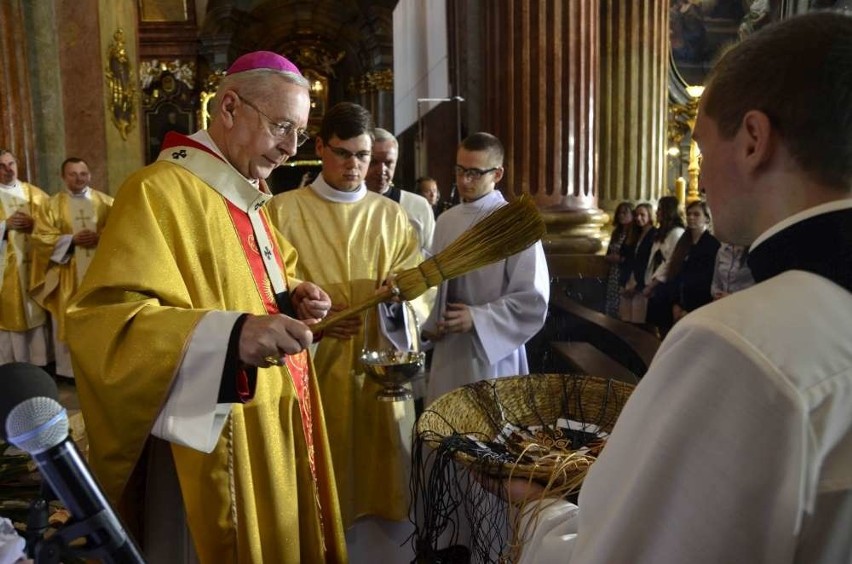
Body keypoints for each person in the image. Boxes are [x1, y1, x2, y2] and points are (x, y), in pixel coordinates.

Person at [512, 13, 852, 563]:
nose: (698, 170)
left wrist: (534, 511)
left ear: (752, 141)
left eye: (699, 143)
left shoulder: (740, 345)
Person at [64, 52, 346, 563]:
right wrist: (232, 336)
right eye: (283, 126)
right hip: (212, 446)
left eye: (301, 133)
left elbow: (265, 274)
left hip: (274, 429)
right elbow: (107, 323)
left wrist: (297, 294)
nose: (291, 146)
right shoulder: (157, 191)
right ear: (230, 107)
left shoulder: (247, 196)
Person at [267, 102, 428, 562]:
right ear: (319, 147)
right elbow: (264, 289)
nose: (355, 166)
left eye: (364, 156)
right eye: (343, 154)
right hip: (312, 367)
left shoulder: (392, 217)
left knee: (384, 485)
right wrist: (309, 311)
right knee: (320, 477)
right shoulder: (283, 212)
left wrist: (396, 301)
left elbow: (418, 289)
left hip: (379, 371)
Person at [422, 132, 550, 405]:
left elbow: (533, 300)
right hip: (448, 349)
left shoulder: (514, 224)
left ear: (498, 173)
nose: (465, 180)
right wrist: (429, 319)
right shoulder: (445, 220)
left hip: (491, 352)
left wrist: (478, 318)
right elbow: (433, 284)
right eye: (460, 170)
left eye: (475, 173)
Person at [30, 158, 114, 379]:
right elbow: (41, 237)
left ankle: (99, 369)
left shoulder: (106, 202)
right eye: (73, 174)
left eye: (83, 173)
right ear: (63, 177)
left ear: (89, 175)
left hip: (98, 274)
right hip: (68, 274)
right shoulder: (51, 205)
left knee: (99, 321)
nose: (79, 178)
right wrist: (71, 240)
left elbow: (120, 232)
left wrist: (100, 237)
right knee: (68, 321)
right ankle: (69, 373)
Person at [0, 149, 51, 367]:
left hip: (35, 267)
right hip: (6, 270)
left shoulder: (36, 196)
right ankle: (12, 368)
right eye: (1, 166)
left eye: (11, 163)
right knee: (10, 318)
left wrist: (35, 225)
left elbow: (53, 227)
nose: (8, 170)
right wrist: (4, 226)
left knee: (36, 315)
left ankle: (40, 365)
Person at [365, 127, 435, 253]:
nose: (381, 170)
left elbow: (431, 254)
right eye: (374, 162)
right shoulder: (346, 204)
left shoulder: (418, 206)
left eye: (388, 163)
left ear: (396, 162)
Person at [669, 200, 720, 322]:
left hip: (700, 304)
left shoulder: (712, 244)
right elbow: (675, 271)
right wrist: (676, 303)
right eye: (689, 214)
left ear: (707, 219)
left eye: (696, 214)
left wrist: (690, 309)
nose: (691, 217)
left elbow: (707, 278)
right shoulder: (683, 241)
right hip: (680, 302)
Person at [603, 201, 635, 318]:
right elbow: (608, 252)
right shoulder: (616, 233)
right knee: (612, 306)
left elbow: (632, 256)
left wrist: (620, 259)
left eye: (625, 213)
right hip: (613, 272)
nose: (621, 215)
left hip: (624, 272)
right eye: (619, 213)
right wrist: (609, 258)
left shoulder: (634, 234)